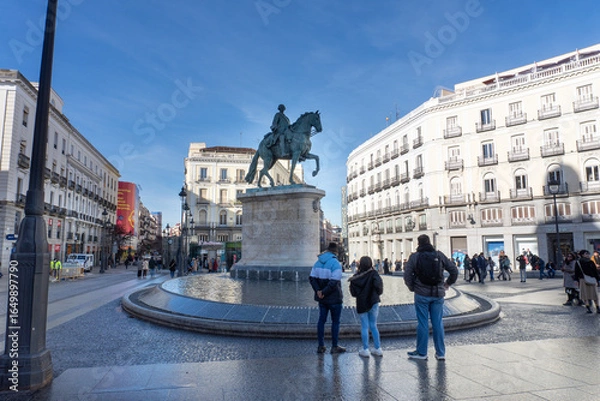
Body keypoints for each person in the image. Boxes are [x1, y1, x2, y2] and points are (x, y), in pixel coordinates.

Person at [403, 234, 458, 360]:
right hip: (438, 294)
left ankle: (422, 352)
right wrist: (447, 283)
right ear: (430, 242)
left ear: (418, 243)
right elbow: (453, 270)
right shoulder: (439, 255)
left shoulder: (415, 257)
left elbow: (407, 275)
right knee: (438, 323)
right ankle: (441, 353)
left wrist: (412, 287)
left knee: (422, 323)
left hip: (421, 294)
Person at [309, 242, 346, 354]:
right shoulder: (335, 263)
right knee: (335, 322)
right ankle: (334, 346)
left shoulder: (317, 262)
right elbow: (334, 282)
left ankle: (321, 346)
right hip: (334, 298)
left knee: (321, 321)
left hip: (322, 299)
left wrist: (318, 291)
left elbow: (311, 278)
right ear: (336, 252)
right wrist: (324, 291)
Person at [349, 256, 384, 358]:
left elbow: (353, 293)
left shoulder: (356, 277)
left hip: (362, 303)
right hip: (373, 302)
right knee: (373, 325)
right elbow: (379, 288)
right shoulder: (374, 274)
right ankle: (378, 348)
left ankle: (365, 349)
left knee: (364, 326)